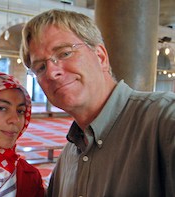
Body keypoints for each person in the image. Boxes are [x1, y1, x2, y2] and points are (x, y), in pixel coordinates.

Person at [20, 9, 175, 197]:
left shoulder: (163, 119)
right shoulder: (67, 160)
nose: (52, 72)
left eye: (65, 53)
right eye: (41, 67)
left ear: (100, 56)